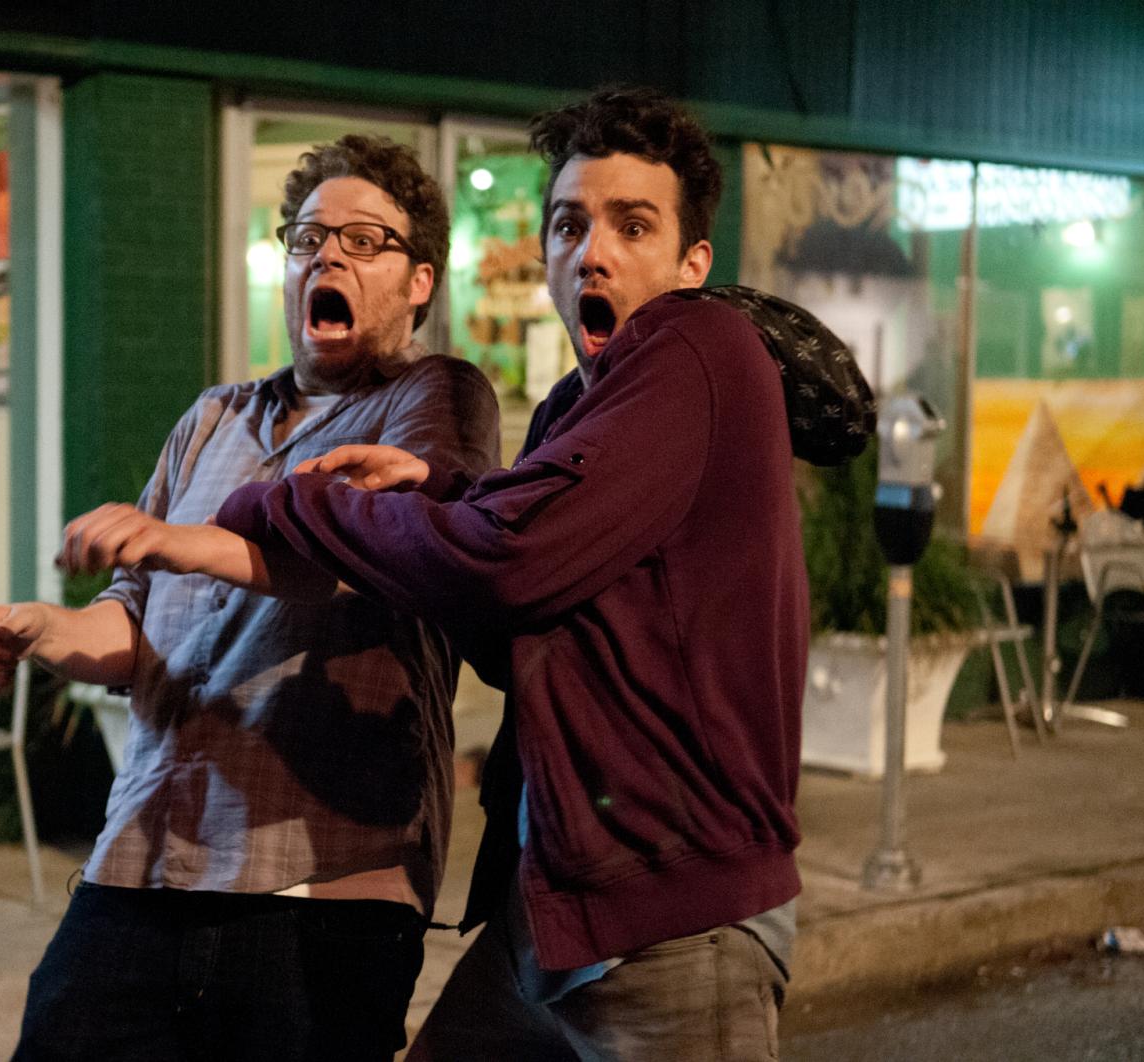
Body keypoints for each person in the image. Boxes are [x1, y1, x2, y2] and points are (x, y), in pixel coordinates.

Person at [189, 87, 866, 1058]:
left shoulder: (698, 347)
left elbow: (507, 563)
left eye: (633, 225)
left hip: (678, 923)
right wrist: (440, 491)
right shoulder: (569, 411)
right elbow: (513, 628)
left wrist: (285, 502)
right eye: (569, 224)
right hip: (557, 912)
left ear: (693, 263)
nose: (592, 252)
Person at [0, 134, 500, 1062]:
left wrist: (183, 541)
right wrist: (42, 628)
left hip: (319, 884)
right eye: (308, 238)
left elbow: (377, 547)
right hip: (145, 859)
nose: (328, 257)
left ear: (421, 282)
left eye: (364, 241)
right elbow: (133, 626)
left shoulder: (433, 399)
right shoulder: (213, 417)